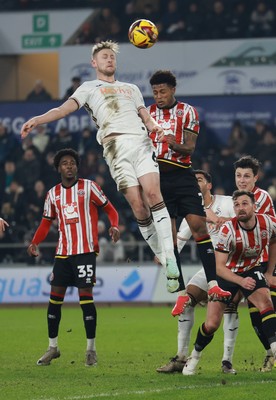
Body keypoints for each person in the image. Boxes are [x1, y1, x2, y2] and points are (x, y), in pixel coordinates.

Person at [20, 40, 179, 293]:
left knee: (152, 195)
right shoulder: (88, 88)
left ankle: (171, 259)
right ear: (94, 63)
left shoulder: (131, 88)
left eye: (112, 57)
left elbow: (145, 116)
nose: (109, 60)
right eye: (104, 56)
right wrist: (38, 120)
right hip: (115, 148)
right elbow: (63, 110)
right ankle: (162, 253)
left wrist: (155, 128)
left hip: (141, 142)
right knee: (138, 206)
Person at [26, 148, 120, 366]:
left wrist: (114, 226)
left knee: (86, 300)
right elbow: (46, 222)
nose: (69, 166)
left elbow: (111, 209)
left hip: (85, 252)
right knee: (54, 302)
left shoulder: (89, 187)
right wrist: (35, 242)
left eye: (72, 163)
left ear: (77, 166)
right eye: (65, 163)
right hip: (63, 254)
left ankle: (90, 349)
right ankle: (53, 347)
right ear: (59, 168)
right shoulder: (52, 194)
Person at [148, 69, 231, 311]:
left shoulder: (188, 111)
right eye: (155, 92)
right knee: (169, 234)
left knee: (198, 225)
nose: (159, 96)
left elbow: (190, 148)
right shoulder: (147, 113)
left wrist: (172, 143)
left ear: (173, 90)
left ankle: (213, 282)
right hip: (158, 177)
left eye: (163, 91)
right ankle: (182, 292)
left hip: (182, 175)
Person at [183, 190, 276, 375]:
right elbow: (219, 268)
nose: (240, 208)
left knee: (266, 303)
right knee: (211, 325)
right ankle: (194, 357)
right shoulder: (228, 230)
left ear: (254, 207)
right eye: (237, 205)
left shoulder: (267, 222)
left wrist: (270, 271)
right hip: (227, 275)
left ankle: (274, 350)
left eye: (244, 204)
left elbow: (274, 240)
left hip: (251, 270)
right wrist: (241, 281)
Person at [156, 170, 237, 375]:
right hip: (210, 269)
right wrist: (165, 255)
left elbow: (245, 222)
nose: (195, 183)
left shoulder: (227, 202)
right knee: (186, 303)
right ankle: (181, 357)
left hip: (235, 266)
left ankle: (227, 360)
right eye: (193, 180)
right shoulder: (190, 213)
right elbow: (178, 243)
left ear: (209, 185)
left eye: (199, 180)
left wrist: (219, 218)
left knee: (229, 310)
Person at [234, 155, 276, 371]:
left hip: (269, 260)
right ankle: (270, 353)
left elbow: (268, 230)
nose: (242, 180)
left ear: (255, 178)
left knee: (270, 307)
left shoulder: (262, 198)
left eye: (247, 176)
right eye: (239, 176)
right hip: (250, 265)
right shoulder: (233, 200)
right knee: (255, 318)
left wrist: (270, 272)